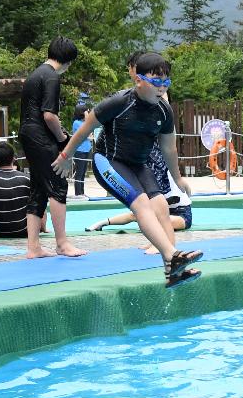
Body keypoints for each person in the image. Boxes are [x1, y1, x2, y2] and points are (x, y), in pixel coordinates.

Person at [53, 52, 202, 288]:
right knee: (141, 204)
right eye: (156, 82)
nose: (161, 88)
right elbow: (84, 130)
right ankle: (172, 256)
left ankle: (173, 270)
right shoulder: (119, 102)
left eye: (166, 82)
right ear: (139, 80)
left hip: (138, 164)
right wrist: (65, 155)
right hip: (108, 161)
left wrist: (178, 178)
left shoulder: (164, 111)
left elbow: (169, 149)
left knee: (161, 205)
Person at [18, 36, 86, 259]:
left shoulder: (35, 74)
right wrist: (63, 139)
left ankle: (33, 247)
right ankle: (62, 243)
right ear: (68, 60)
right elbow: (49, 115)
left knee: (38, 188)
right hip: (41, 136)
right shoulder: (51, 78)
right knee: (57, 184)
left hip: (28, 134)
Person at [71, 103, 93, 199]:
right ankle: (78, 193)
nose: (88, 113)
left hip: (86, 150)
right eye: (86, 111)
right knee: (79, 173)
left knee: (83, 172)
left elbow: (90, 134)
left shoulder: (84, 123)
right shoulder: (76, 123)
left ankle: (82, 192)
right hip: (79, 150)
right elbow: (87, 134)